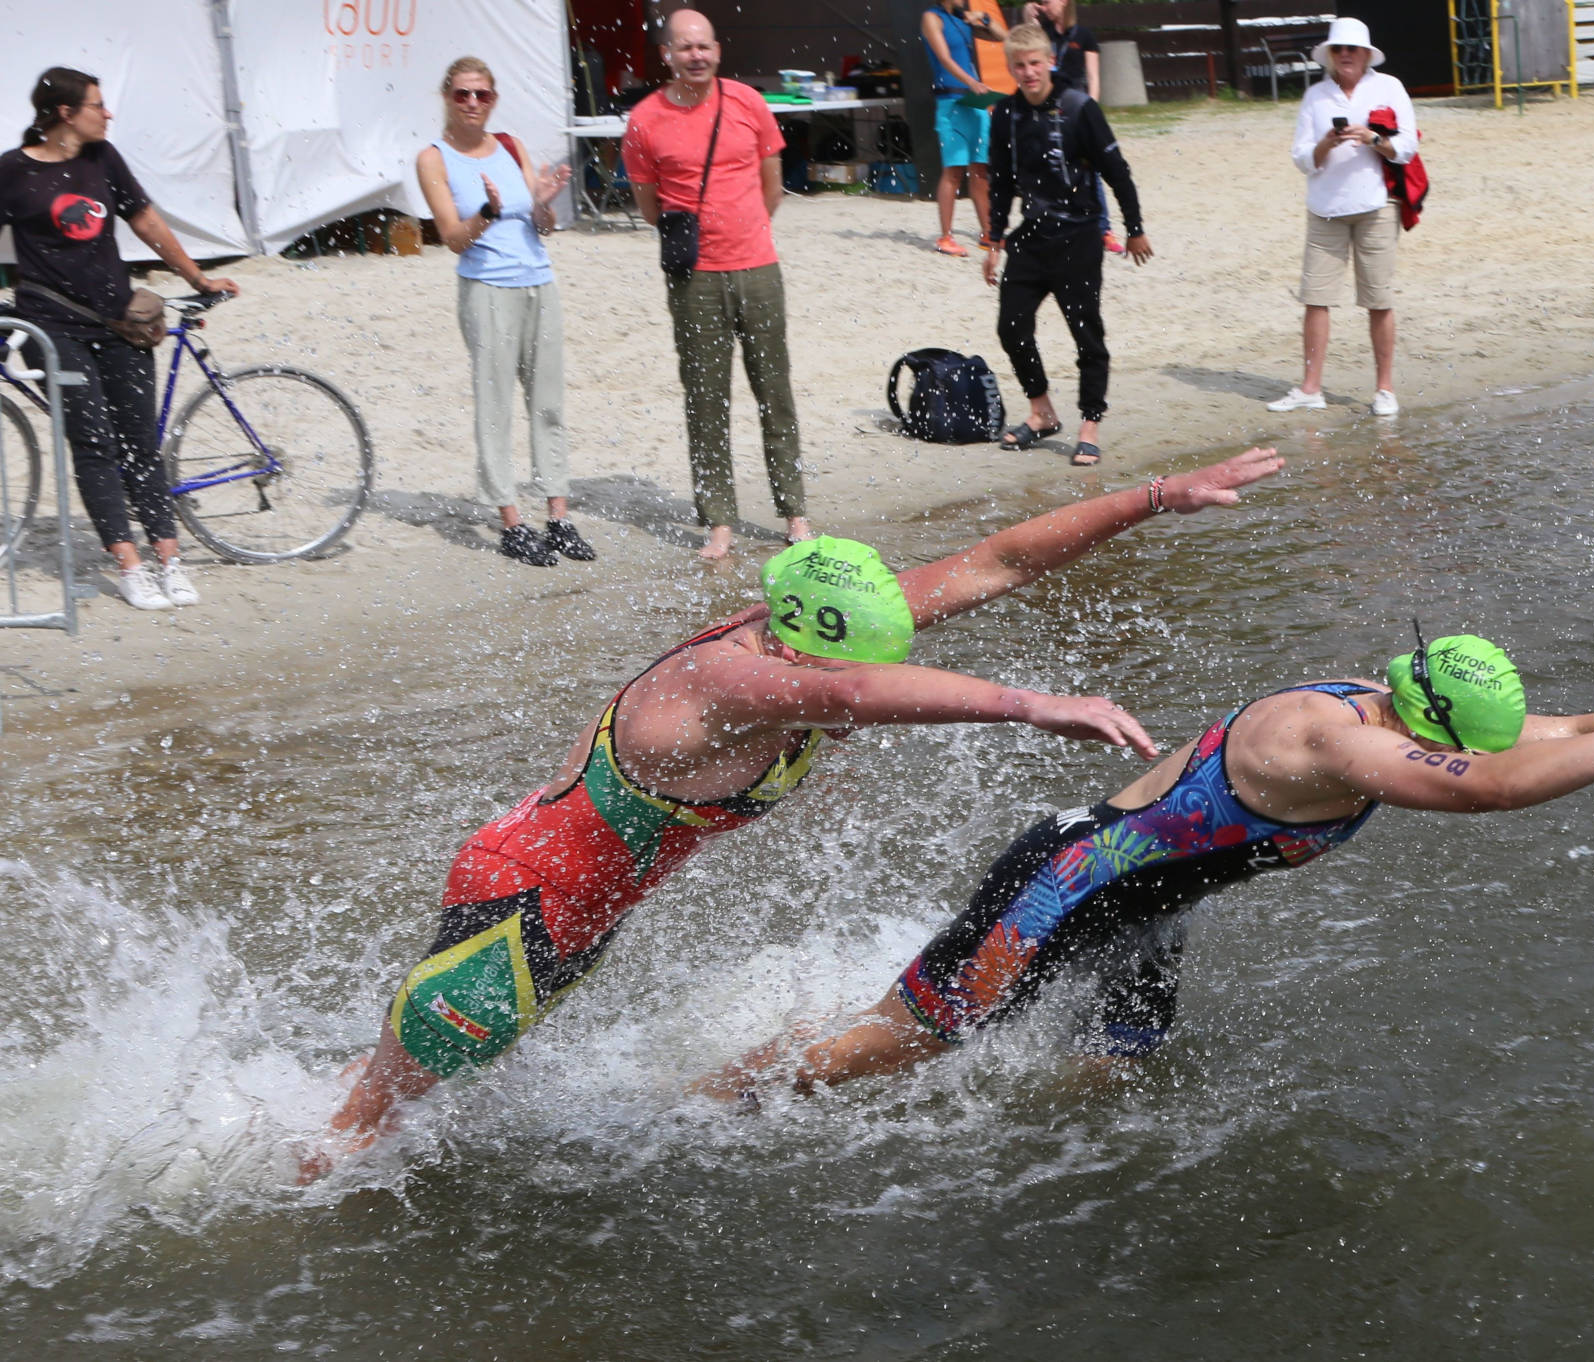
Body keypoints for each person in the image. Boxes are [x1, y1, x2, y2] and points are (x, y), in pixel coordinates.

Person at [305, 447, 1284, 1175]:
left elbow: (995, 564)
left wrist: (1157, 498)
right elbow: (855, 701)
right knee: (363, 1136)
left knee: (419, 1095)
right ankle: (286, 1197)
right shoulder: (724, 682)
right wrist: (1033, 705)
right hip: (526, 903)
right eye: (870, 657)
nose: (883, 665)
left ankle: (314, 1113)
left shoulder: (809, 635)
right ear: (812, 649)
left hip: (580, 908)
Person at [702, 634, 1594, 1099]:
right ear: (1421, 724)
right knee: (904, 1041)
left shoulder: (1393, 712)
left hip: (1148, 910)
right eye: (1455, 744)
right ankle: (710, 1103)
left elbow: (1561, 732)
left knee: (1120, 1064)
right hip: (1063, 890)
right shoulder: (1327, 737)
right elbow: (1488, 788)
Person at [0, 67, 236, 610]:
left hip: (118, 321)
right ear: (65, 113)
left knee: (139, 441)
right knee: (94, 441)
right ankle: (129, 566)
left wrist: (198, 278)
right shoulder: (12, 171)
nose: (108, 114)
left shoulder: (103, 159)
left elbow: (146, 220)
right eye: (98, 105)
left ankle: (169, 560)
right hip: (52, 326)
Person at [622, 8, 810, 560]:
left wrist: (744, 233)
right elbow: (650, 204)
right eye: (685, 48)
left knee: (774, 392)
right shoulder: (644, 119)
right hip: (694, 278)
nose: (696, 57)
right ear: (668, 56)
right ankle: (719, 521)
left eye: (703, 47)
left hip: (758, 268)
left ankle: (794, 510)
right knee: (705, 399)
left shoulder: (748, 102)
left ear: (718, 50)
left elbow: (770, 185)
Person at [415, 57, 591, 569]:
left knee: (549, 402)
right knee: (495, 406)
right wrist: (487, 213)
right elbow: (450, 238)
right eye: (464, 94)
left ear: (494, 99)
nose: (473, 103)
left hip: (539, 282)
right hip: (486, 289)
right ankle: (512, 521)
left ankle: (558, 516)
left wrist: (544, 204)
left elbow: (539, 224)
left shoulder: (510, 146)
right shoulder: (434, 158)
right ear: (447, 96)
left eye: (483, 95)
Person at [984, 24, 1149, 469]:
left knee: (1086, 334)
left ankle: (1090, 425)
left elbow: (1117, 170)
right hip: (1031, 240)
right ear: (1011, 69)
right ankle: (1042, 411)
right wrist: (994, 240)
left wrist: (1134, 227)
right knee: (1011, 326)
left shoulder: (1079, 108)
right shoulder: (1004, 116)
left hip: (1078, 239)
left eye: (1035, 63)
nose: (1028, 72)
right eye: (1019, 66)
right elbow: (1000, 183)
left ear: (1050, 61)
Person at [1268, 17, 1418, 420]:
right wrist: (1325, 144)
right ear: (1330, 56)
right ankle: (1310, 388)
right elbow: (1301, 158)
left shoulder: (1390, 87)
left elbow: (1407, 146)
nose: (1346, 55)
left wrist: (1373, 139)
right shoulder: (1316, 95)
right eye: (1339, 49)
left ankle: (1384, 389)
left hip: (1377, 206)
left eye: (1353, 49)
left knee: (1379, 299)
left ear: (1367, 54)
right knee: (1315, 299)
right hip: (1325, 209)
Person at [1028, 0, 1121, 256]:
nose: (1044, 6)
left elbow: (1093, 77)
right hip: (1048, 111)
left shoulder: (1083, 35)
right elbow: (1024, 55)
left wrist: (1092, 111)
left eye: (1047, 2)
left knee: (1090, 169)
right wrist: (1030, 21)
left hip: (1076, 109)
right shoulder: (1042, 34)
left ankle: (1103, 229)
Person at [920, 0, 1006, 256]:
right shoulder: (931, 18)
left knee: (980, 169)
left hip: (974, 102)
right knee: (953, 172)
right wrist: (972, 81)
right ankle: (945, 236)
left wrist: (984, 19)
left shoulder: (963, 19)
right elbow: (944, 58)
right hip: (951, 101)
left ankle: (989, 231)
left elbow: (1004, 37)